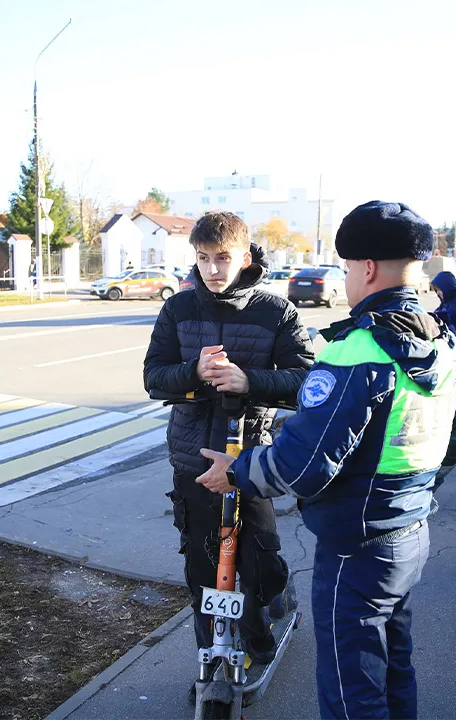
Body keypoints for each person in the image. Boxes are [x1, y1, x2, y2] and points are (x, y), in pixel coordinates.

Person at [195, 201, 456, 719]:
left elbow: (302, 465)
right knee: (392, 667)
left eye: (344, 269)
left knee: (351, 687)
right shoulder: (444, 342)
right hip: (410, 529)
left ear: (365, 268)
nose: (344, 280)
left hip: (355, 544)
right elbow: (452, 444)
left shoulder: (358, 349)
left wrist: (237, 471)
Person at [143, 211, 314, 697]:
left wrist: (249, 380)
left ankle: (261, 631)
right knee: (201, 571)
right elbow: (153, 378)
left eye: (222, 259)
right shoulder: (177, 310)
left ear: (245, 256)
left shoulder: (274, 312)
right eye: (203, 259)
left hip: (251, 464)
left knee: (260, 566)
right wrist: (193, 373)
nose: (212, 270)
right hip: (193, 462)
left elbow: (308, 382)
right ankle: (210, 660)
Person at [430, 271, 456, 491]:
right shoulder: (449, 302)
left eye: (439, 288)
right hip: (452, 351)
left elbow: (448, 322)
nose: (438, 293)